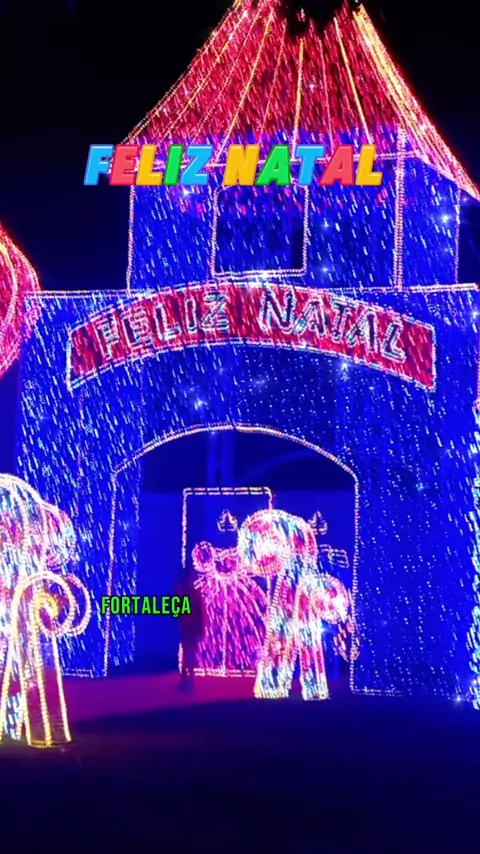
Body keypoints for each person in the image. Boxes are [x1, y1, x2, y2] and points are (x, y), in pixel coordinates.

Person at [177, 566, 205, 691]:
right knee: (188, 653)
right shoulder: (189, 594)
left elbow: (199, 613)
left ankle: (189, 681)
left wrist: (201, 628)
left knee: (190, 654)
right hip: (188, 627)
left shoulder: (193, 594)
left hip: (191, 627)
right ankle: (186, 680)